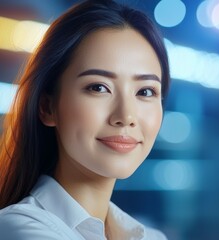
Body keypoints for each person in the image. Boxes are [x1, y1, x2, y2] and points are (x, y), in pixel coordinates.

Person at [0, 0, 170, 239]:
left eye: (145, 91)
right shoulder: (18, 229)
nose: (126, 117)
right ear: (47, 107)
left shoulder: (150, 236)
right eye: (99, 87)